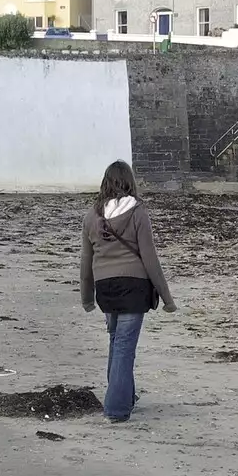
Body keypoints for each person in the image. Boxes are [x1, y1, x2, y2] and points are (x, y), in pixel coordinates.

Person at [79, 160, 176, 423]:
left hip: (106, 288)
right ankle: (116, 409)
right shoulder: (138, 212)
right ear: (130, 182)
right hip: (133, 286)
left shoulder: (92, 216)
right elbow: (149, 258)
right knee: (124, 347)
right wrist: (167, 298)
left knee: (116, 342)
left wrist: (87, 298)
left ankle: (125, 397)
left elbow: (86, 263)